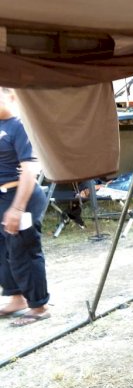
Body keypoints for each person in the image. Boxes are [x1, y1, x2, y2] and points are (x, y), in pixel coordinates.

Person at [0, 87, 51, 326]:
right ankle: (16, 298)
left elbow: (30, 170)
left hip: (22, 196)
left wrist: (17, 208)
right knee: (3, 251)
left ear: (11, 96)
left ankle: (39, 306)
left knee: (24, 250)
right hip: (2, 198)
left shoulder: (20, 126)